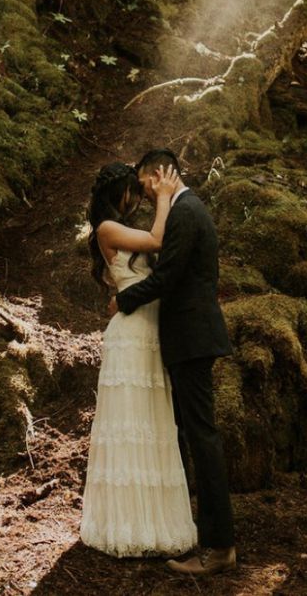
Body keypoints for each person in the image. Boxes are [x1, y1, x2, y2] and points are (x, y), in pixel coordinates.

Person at [109, 148, 236, 577]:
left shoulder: (185, 211)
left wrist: (123, 299)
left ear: (162, 174)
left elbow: (169, 278)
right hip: (189, 338)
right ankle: (200, 533)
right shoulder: (187, 208)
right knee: (194, 434)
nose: (143, 194)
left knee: (203, 438)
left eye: (146, 184)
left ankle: (220, 547)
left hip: (192, 339)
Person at [79, 161, 198, 558]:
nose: (138, 197)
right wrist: (164, 197)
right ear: (120, 194)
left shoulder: (120, 228)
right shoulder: (107, 229)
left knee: (151, 423)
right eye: (134, 191)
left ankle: (155, 519)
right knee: (131, 423)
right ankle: (127, 524)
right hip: (130, 336)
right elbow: (158, 239)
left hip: (147, 331)